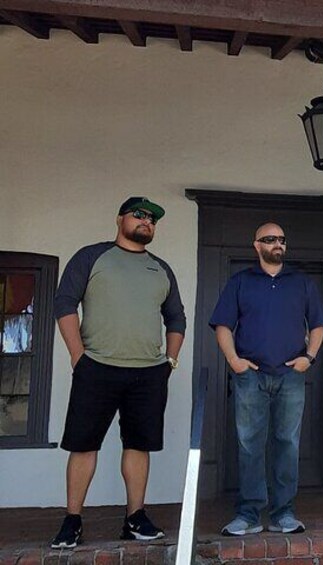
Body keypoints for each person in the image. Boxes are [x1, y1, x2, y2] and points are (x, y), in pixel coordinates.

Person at [51, 197, 186, 549]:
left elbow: (176, 318)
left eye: (152, 219)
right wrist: (78, 356)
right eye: (139, 215)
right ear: (120, 219)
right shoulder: (91, 256)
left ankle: (135, 518)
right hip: (96, 367)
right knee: (83, 444)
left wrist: (169, 361)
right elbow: (65, 302)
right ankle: (72, 520)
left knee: (139, 445)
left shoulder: (162, 268)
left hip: (147, 373)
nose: (147, 221)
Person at [210, 222, 323, 536]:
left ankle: (283, 514)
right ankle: (248, 515)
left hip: (290, 376)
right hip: (251, 377)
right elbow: (222, 324)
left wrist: (309, 358)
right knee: (249, 445)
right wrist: (234, 361)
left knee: (287, 444)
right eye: (270, 239)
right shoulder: (240, 282)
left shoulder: (301, 282)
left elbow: (317, 325)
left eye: (281, 239)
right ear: (257, 245)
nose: (278, 244)